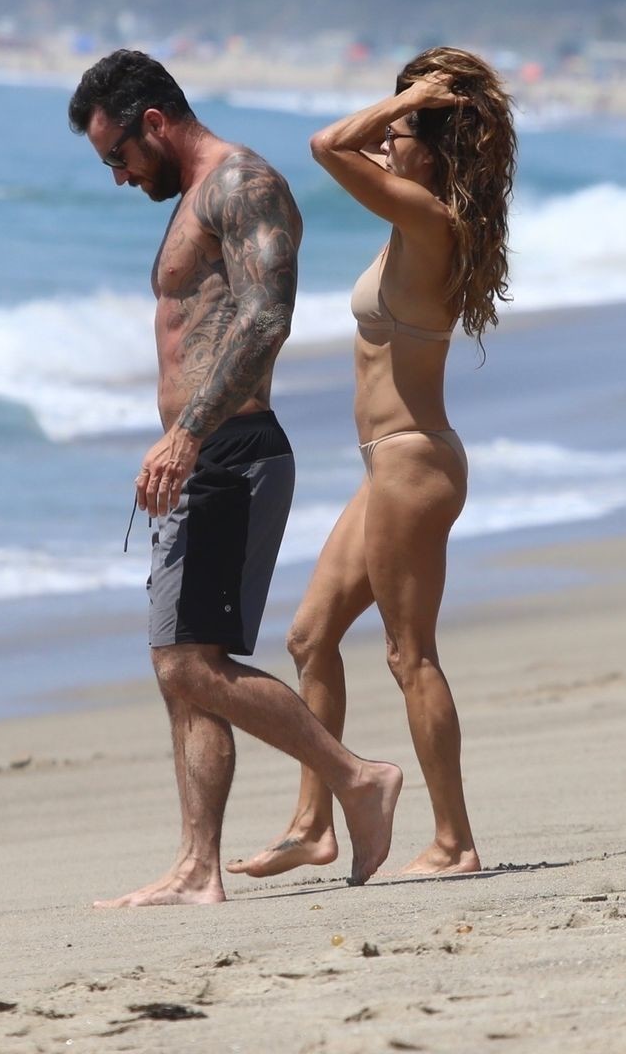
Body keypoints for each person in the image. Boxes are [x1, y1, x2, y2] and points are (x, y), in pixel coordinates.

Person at [67, 49, 402, 907]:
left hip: (229, 450)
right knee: (182, 667)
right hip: (202, 454)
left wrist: (186, 434)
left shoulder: (243, 184)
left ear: (153, 122)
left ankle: (358, 779)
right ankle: (197, 867)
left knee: (186, 665)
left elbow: (267, 316)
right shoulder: (195, 196)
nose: (118, 176)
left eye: (117, 156)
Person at [227, 48, 515, 882]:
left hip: (411, 465)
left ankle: (455, 842)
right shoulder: (419, 218)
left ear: (435, 147)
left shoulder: (429, 218)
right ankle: (313, 824)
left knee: (409, 655)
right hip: (390, 466)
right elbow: (345, 148)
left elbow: (327, 145)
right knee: (310, 636)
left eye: (402, 133)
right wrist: (412, 106)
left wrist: (411, 99)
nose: (387, 144)